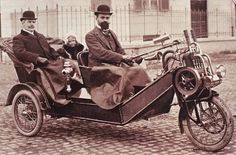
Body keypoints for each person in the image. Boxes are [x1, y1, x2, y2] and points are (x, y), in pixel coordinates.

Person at [85, 4, 151, 109]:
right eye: (102, 17)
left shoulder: (111, 33)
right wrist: (122, 58)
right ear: (96, 18)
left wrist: (129, 57)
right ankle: (123, 102)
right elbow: (101, 53)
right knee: (120, 73)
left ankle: (143, 98)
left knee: (138, 70)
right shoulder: (90, 35)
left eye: (107, 18)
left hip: (113, 65)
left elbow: (119, 50)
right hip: (99, 68)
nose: (105, 20)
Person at [13, 10, 81, 105]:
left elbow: (49, 48)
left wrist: (57, 56)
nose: (31, 24)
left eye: (33, 22)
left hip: (48, 62)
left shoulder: (40, 36)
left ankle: (70, 88)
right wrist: (37, 58)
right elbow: (19, 52)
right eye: (29, 22)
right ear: (23, 22)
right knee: (53, 70)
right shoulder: (19, 38)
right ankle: (57, 96)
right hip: (36, 65)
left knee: (68, 63)